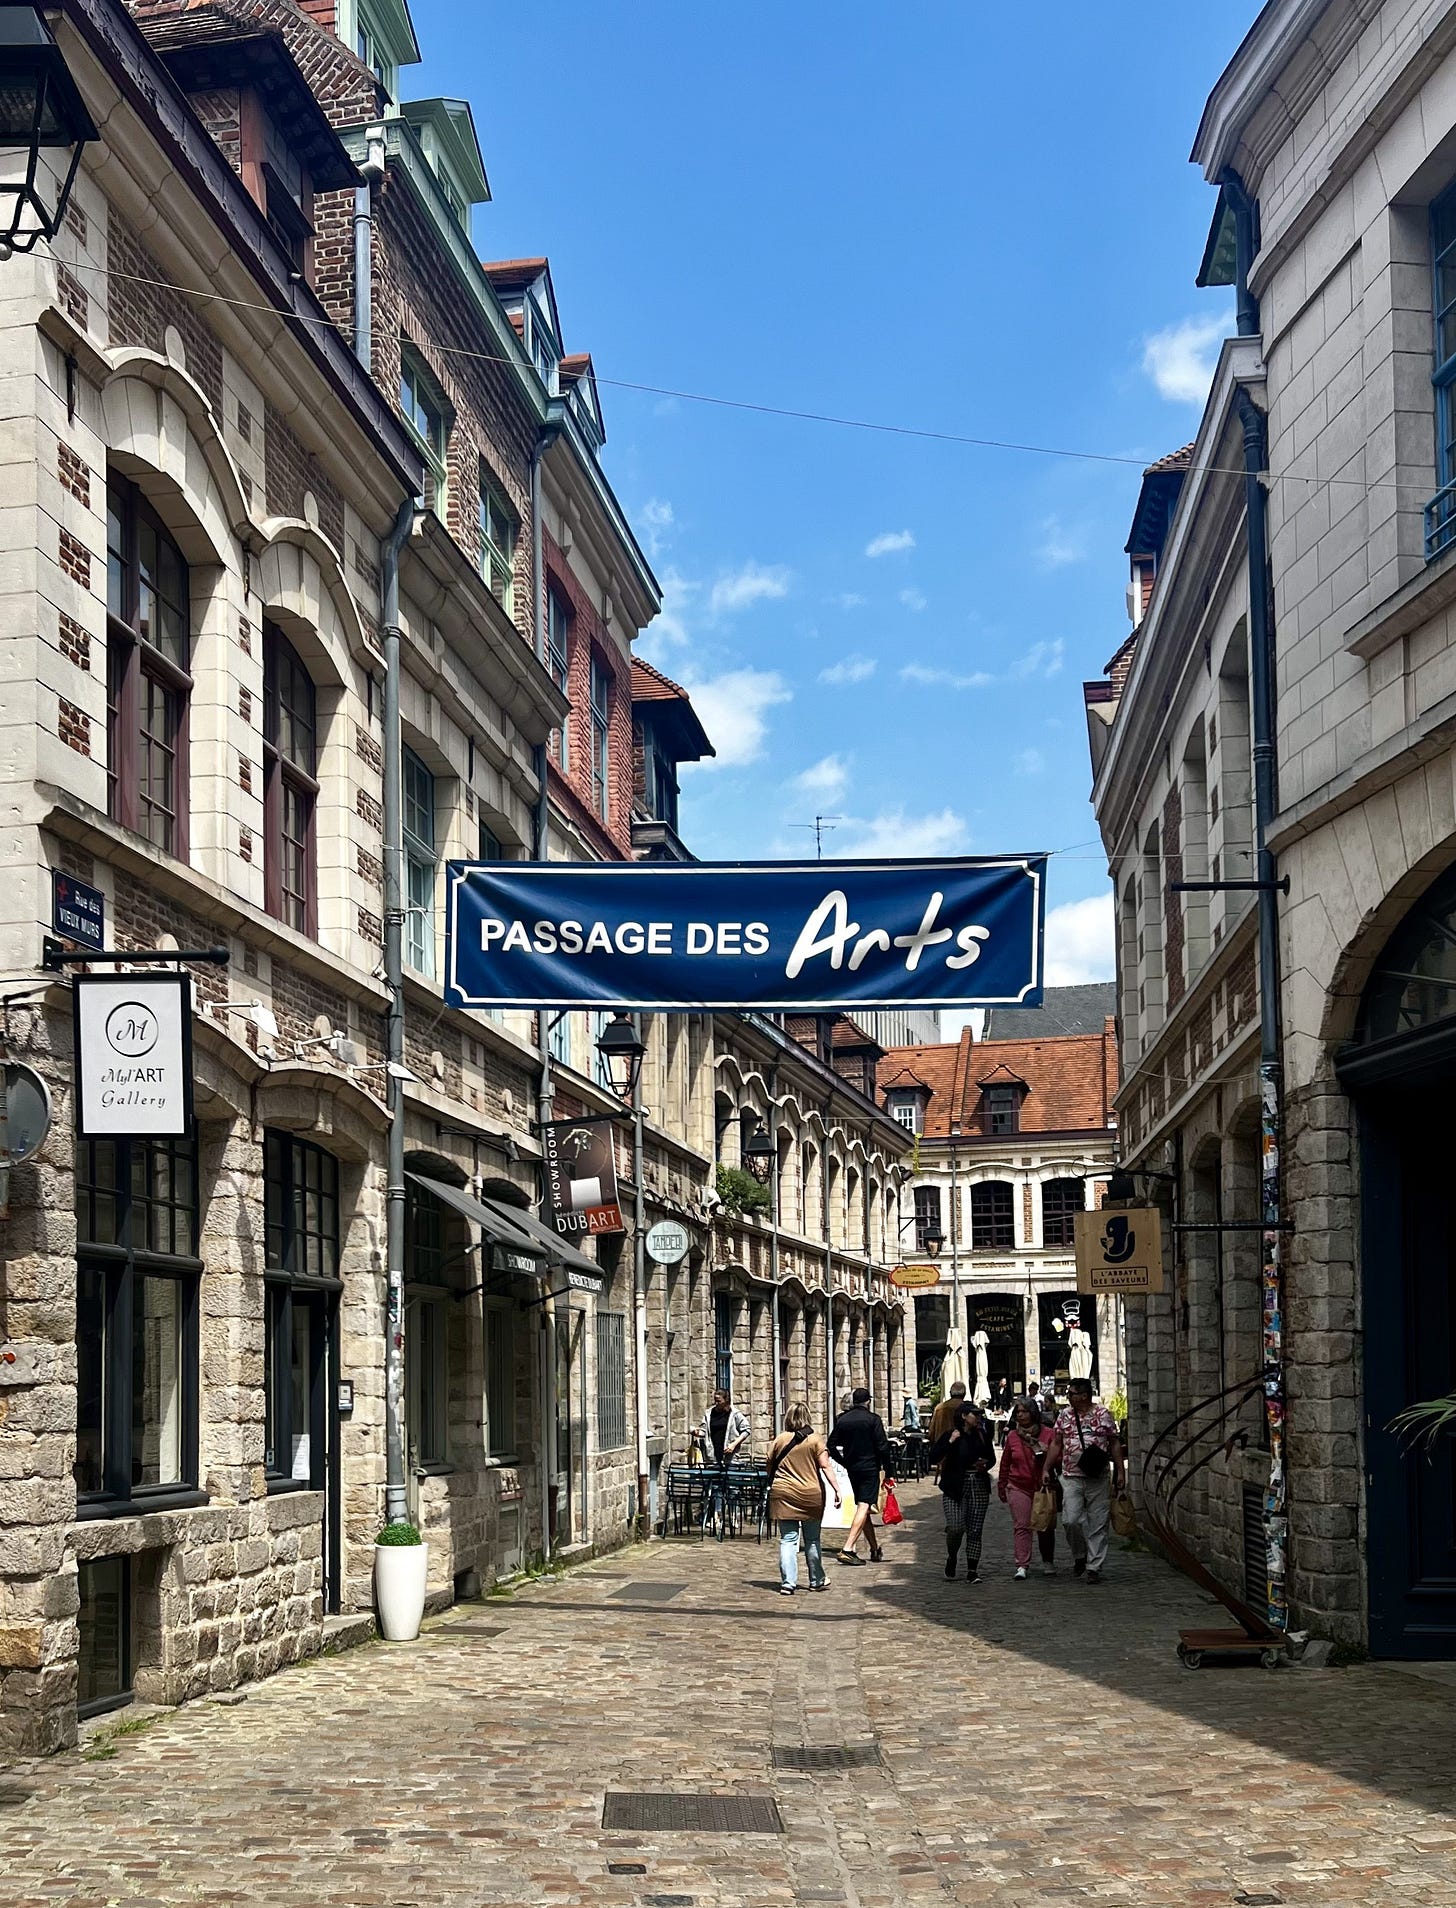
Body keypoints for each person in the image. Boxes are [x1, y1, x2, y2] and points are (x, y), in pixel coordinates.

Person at [1044, 1377, 1125, 1584]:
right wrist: (1046, 1468)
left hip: (1098, 1476)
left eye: (1071, 1393)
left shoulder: (1103, 1414)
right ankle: (1080, 1555)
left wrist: (1120, 1472)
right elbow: (1056, 1443)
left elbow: (1114, 1443)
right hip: (1071, 1475)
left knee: (1098, 1522)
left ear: (1083, 1395)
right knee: (1070, 1520)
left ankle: (1094, 1567)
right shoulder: (1064, 1416)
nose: (1067, 1397)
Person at [767, 1402, 842, 1596]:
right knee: (812, 1539)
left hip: (783, 1492)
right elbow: (826, 1466)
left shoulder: (779, 1440)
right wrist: (837, 1489)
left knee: (788, 1539)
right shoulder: (815, 1440)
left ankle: (788, 1582)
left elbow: (769, 1466)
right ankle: (816, 1579)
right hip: (810, 1494)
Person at [929, 1402, 996, 1582]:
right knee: (956, 1527)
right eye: (975, 1414)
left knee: (975, 1529)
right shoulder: (951, 1434)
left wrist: (985, 1465)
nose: (979, 1418)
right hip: (954, 1487)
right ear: (964, 1416)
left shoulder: (981, 1435)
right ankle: (952, 1555)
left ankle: (972, 1570)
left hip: (978, 1485)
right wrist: (950, 1442)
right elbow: (933, 1457)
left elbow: (991, 1458)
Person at [828, 1386, 894, 1564]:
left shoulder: (843, 1420)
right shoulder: (873, 1419)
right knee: (864, 1506)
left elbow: (831, 1445)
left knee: (862, 1507)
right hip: (869, 1468)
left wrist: (844, 1462)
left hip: (853, 1468)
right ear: (868, 1401)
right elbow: (883, 1447)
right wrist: (889, 1471)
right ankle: (848, 1548)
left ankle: (874, 1549)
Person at [997, 1396, 1054, 1579]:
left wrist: (1046, 1451)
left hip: (1042, 1486)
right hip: (1018, 1485)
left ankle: (1048, 1560)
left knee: (1044, 1526)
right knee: (1022, 1525)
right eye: (1018, 1412)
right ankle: (1022, 1564)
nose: (1020, 1415)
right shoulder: (1013, 1436)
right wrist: (1002, 1485)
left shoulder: (1048, 1434)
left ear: (1033, 1413)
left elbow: (1058, 1459)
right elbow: (1006, 1463)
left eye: (1024, 1411)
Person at [699, 1389, 750, 1467]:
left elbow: (746, 1430)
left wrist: (734, 1444)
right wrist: (695, 1431)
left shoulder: (735, 1414)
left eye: (719, 1401)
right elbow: (703, 1431)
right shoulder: (709, 1414)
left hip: (730, 1457)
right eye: (715, 1401)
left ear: (726, 1400)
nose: (717, 1403)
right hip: (712, 1457)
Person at [927, 1381, 968, 1449]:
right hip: (959, 1450)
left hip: (941, 1450)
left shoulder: (939, 1408)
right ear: (964, 1394)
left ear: (950, 1393)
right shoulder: (965, 1408)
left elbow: (931, 1433)